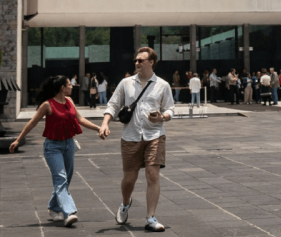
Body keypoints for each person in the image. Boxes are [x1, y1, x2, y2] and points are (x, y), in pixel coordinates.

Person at [9, 75, 102, 227]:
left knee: (67, 178)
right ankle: (69, 212)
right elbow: (32, 123)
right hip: (53, 147)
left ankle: (53, 207)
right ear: (62, 88)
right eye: (69, 85)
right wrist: (18, 140)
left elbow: (81, 119)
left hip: (69, 144)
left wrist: (99, 128)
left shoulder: (70, 101)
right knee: (60, 178)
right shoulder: (47, 105)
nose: (72, 86)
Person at [99, 47, 175, 232]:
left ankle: (151, 217)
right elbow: (113, 104)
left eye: (141, 60)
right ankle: (126, 203)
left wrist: (162, 117)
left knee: (152, 174)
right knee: (129, 179)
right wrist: (104, 123)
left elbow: (170, 109)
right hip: (131, 136)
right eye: (135, 60)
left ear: (151, 62)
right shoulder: (126, 83)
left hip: (155, 135)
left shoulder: (162, 85)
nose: (137, 63)